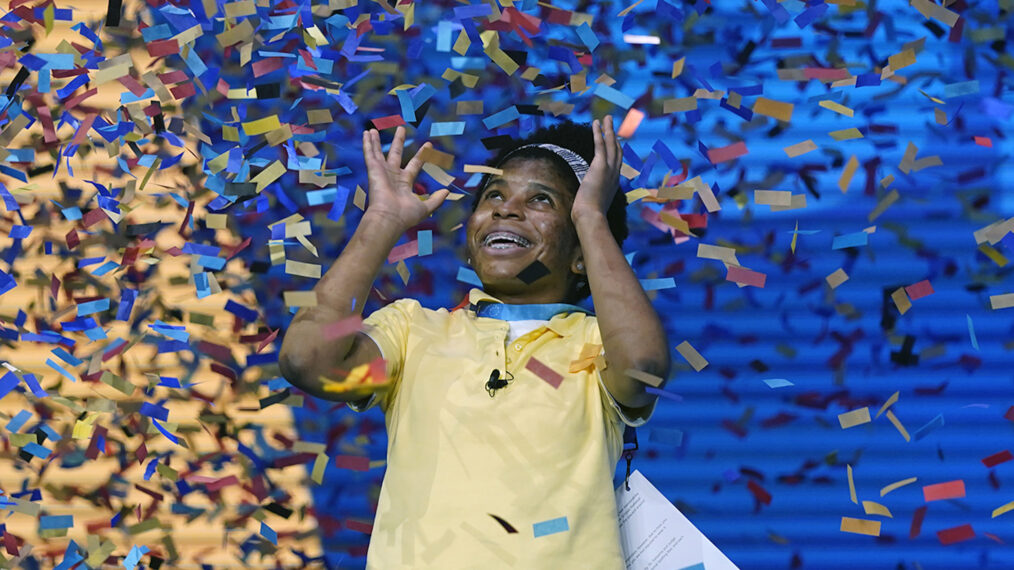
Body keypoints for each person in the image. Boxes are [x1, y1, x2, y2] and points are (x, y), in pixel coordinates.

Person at [279, 116, 671, 568]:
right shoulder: (412, 332)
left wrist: (592, 218)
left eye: (541, 199)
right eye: (493, 196)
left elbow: (642, 366)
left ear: (583, 252)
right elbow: (307, 359)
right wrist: (382, 221)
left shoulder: (600, 346)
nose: (506, 209)